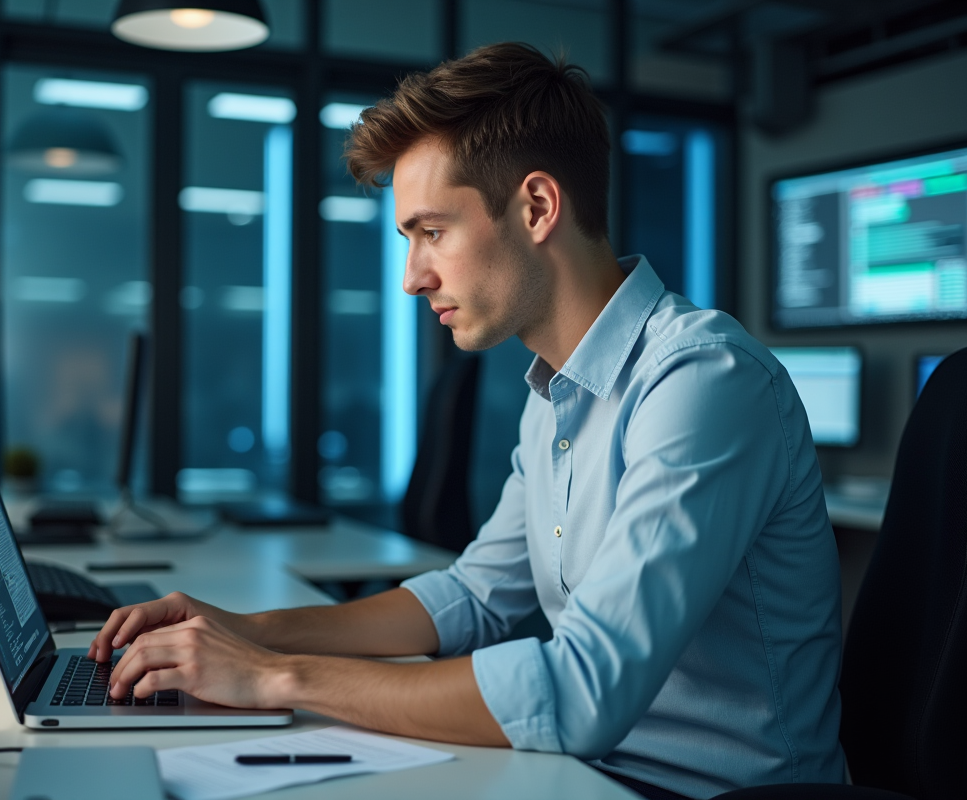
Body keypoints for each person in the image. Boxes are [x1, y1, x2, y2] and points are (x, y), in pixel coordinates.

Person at [89, 42, 846, 799]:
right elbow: (478, 597)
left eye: (433, 231)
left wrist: (273, 677)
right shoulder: (553, 391)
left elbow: (581, 691)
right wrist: (247, 630)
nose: (414, 278)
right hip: (585, 776)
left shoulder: (703, 381)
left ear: (538, 207)